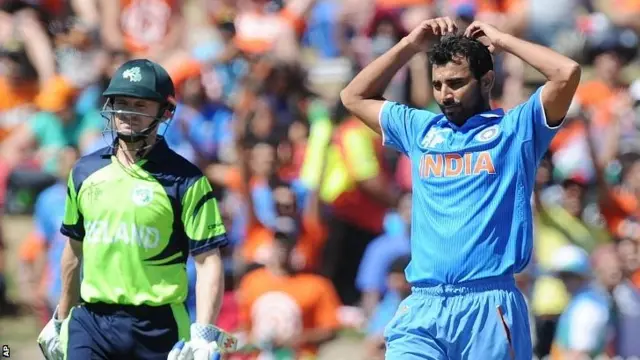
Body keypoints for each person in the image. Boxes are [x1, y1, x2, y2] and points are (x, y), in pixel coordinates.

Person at [340, 16, 581, 359]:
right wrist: (409, 45)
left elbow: (566, 72)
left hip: (489, 305)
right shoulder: (421, 129)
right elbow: (352, 96)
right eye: (438, 85)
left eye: (455, 83)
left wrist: (502, 39)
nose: (444, 95)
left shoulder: (515, 131)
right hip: (423, 304)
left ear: (487, 81)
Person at [36, 59, 237, 360]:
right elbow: (74, 251)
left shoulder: (188, 181)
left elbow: (208, 261)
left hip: (159, 327)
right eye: (123, 103)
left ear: (165, 112)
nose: (128, 113)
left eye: (141, 105)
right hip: (92, 323)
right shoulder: (84, 172)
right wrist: (61, 318)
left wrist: (204, 332)